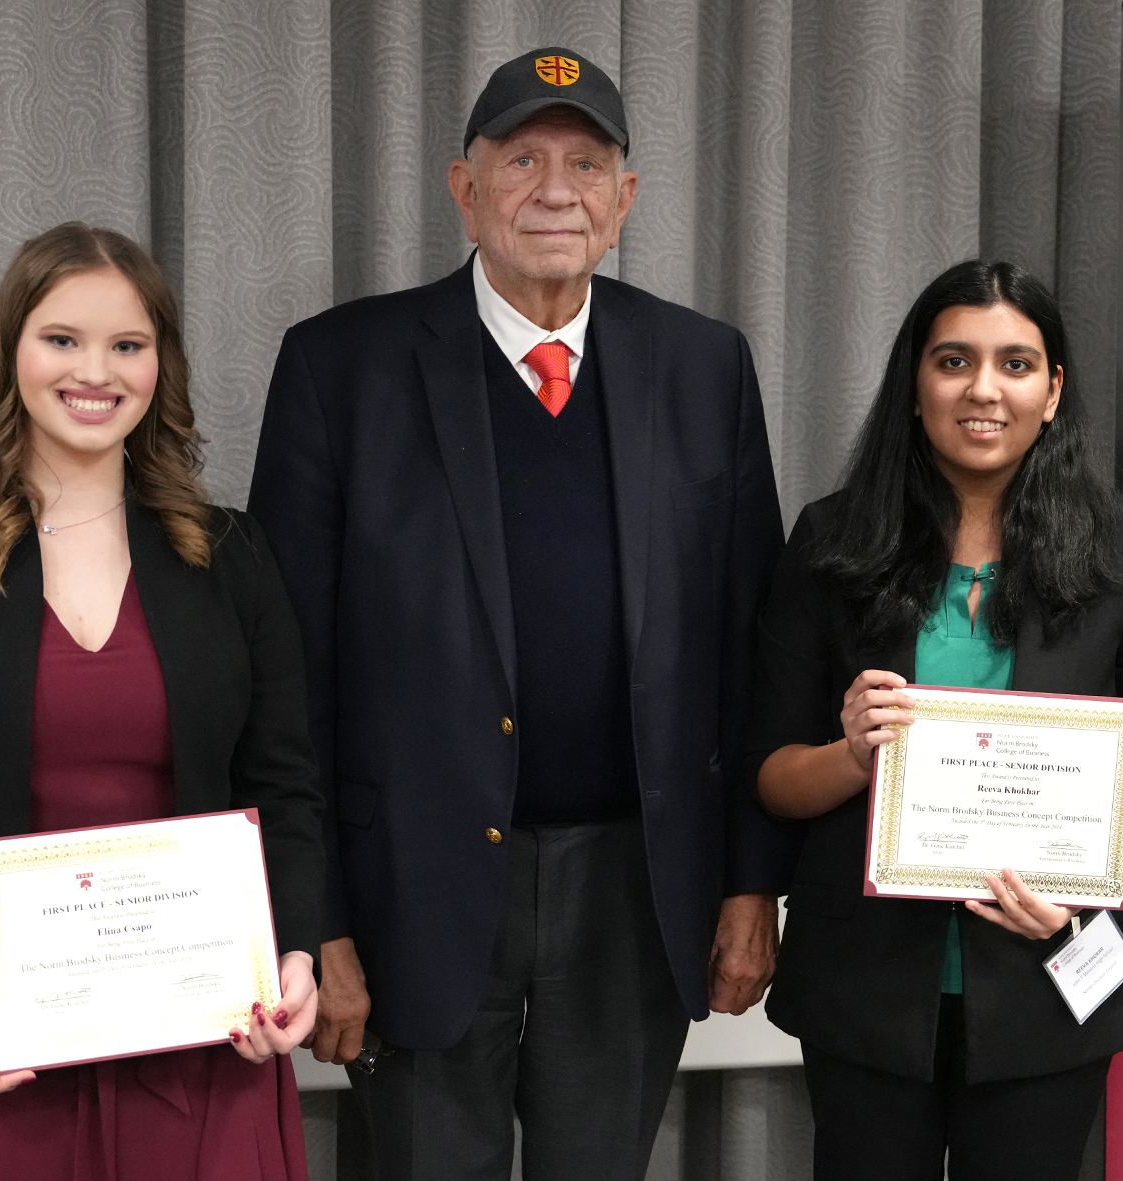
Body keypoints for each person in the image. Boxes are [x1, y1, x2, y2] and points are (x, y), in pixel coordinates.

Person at [246, 46, 794, 1181]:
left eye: (587, 163)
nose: (557, 190)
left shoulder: (703, 367)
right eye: (525, 159)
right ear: (463, 185)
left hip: (635, 889)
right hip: (415, 888)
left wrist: (750, 883)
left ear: (627, 198)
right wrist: (314, 920)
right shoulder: (339, 369)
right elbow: (283, 678)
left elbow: (757, 652)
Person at [0, 223, 325, 1180]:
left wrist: (291, 953)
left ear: (160, 363)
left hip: (203, 1056)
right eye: (62, 339)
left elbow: (286, 789)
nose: (97, 371)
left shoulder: (233, 556)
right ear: (11, 355)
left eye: (128, 344)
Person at [748, 260, 1123, 1180]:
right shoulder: (833, 542)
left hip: (1051, 975)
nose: (984, 389)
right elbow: (771, 772)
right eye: (954, 360)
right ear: (914, 383)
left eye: (1016, 363)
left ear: (1053, 392)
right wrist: (850, 755)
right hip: (868, 987)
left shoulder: (1122, 545)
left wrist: (1084, 873)